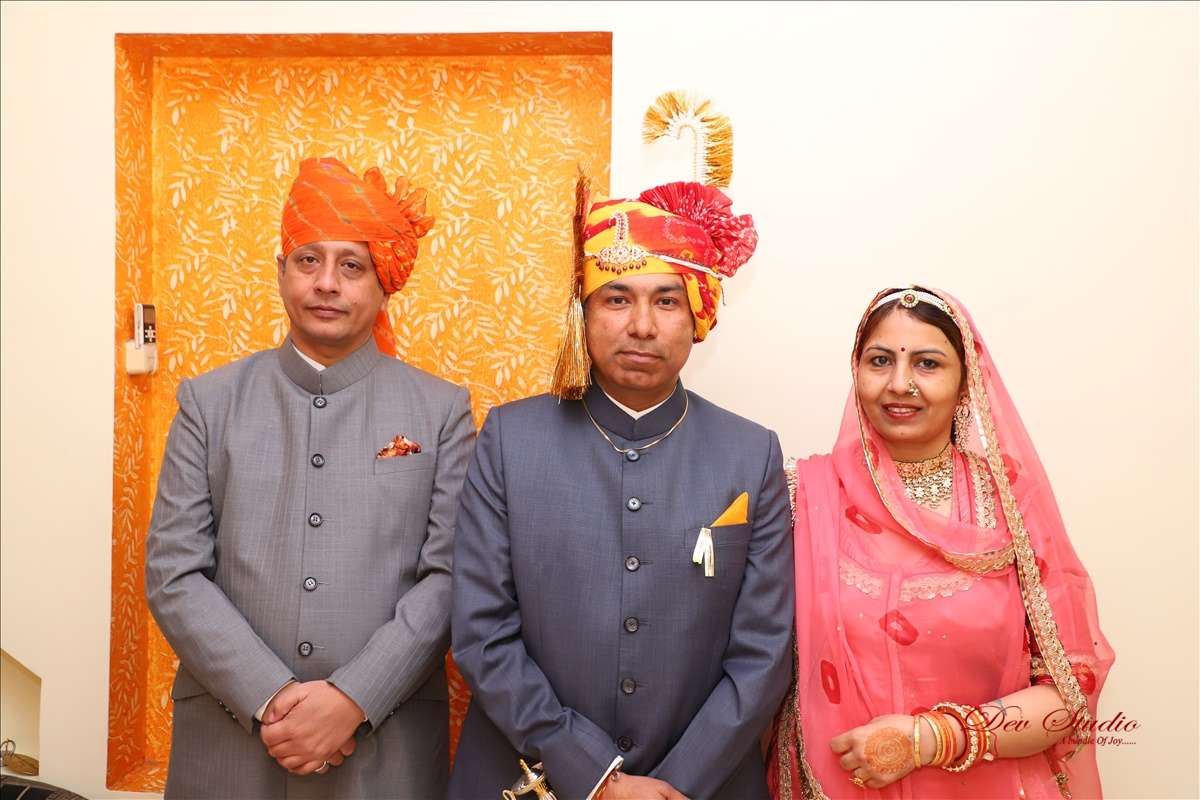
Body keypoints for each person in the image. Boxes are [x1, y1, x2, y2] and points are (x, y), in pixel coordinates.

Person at [449, 179, 794, 800]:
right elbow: (482, 630)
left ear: (699, 316)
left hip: (702, 785)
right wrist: (595, 776)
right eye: (617, 298)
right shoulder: (509, 438)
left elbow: (763, 651)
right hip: (531, 777)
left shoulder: (751, 453)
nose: (641, 326)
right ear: (582, 314)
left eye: (666, 301)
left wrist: (675, 785)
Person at [145, 157, 475, 799]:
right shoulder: (209, 404)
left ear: (385, 284)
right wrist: (271, 698)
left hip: (385, 751)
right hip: (230, 747)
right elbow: (174, 572)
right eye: (308, 260)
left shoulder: (441, 412)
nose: (327, 283)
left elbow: (451, 576)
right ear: (280, 272)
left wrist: (352, 699)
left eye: (351, 265)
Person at [768, 286, 1113, 799]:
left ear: (965, 382)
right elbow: (748, 661)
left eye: (927, 364)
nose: (899, 384)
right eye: (880, 361)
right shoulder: (801, 495)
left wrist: (930, 739)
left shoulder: (1008, 501)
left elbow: (1070, 689)